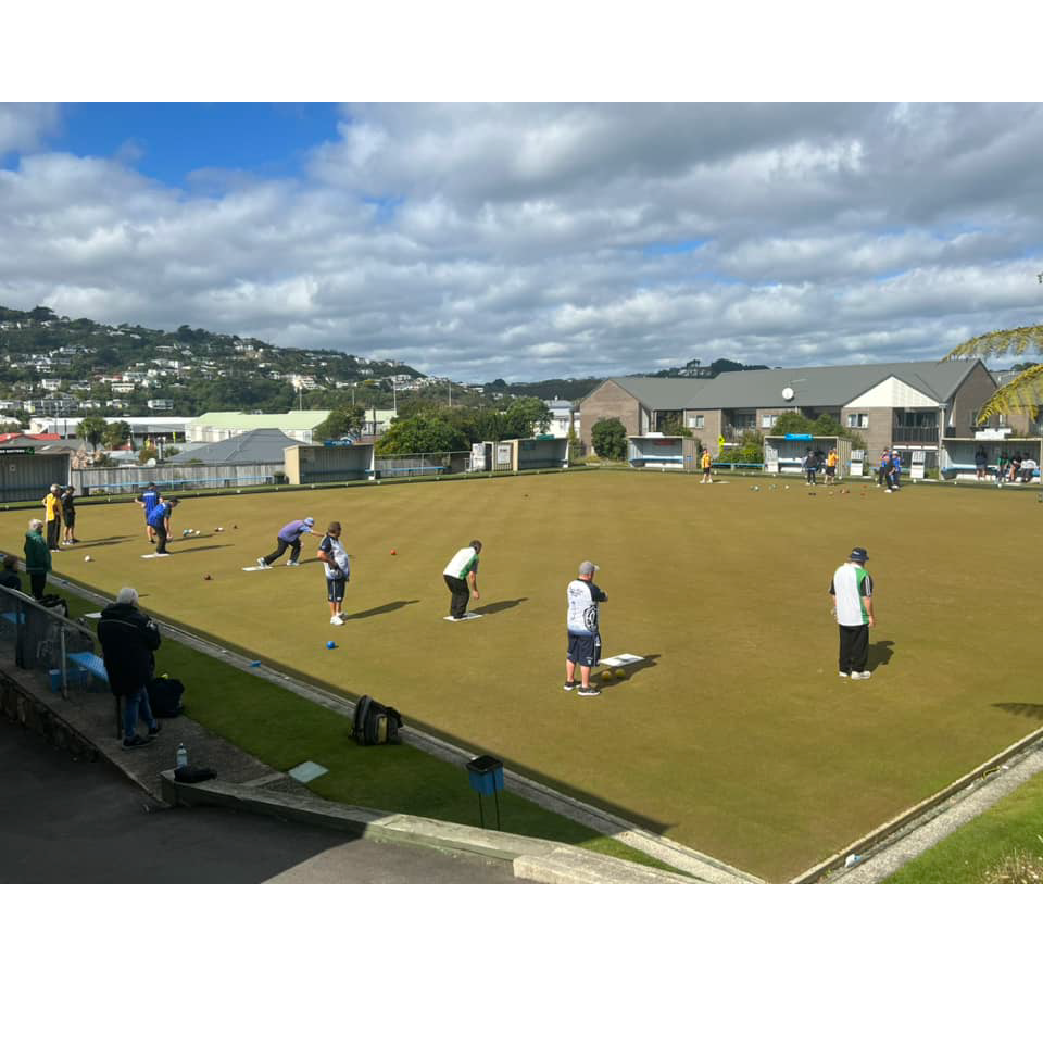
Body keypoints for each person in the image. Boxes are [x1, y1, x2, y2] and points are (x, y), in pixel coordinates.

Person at [97, 587, 163, 750]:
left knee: (141, 693)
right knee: (133, 698)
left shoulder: (105, 619)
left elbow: (102, 640)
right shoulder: (138, 620)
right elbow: (155, 642)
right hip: (135, 666)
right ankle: (130, 737)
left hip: (113, 665)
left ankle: (152, 725)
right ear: (133, 602)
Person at [830, 546, 876, 680]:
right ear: (863, 561)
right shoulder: (864, 575)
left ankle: (843, 671)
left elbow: (834, 593)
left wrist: (838, 609)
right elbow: (866, 598)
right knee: (860, 645)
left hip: (843, 616)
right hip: (858, 617)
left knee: (845, 644)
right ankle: (857, 671)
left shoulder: (838, 571)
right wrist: (870, 616)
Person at [565, 561, 607, 697]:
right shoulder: (591, 588)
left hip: (571, 626)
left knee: (571, 653)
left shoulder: (571, 585)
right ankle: (584, 687)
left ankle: (570, 682)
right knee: (586, 657)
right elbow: (603, 597)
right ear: (590, 574)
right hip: (586, 629)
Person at [317, 520, 351, 625]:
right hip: (333, 573)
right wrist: (334, 564)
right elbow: (320, 555)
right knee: (333, 595)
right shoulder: (327, 541)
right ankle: (333, 616)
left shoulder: (335, 539)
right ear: (337, 530)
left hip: (341, 572)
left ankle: (338, 612)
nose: (341, 531)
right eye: (340, 529)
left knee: (340, 593)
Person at [442, 540, 481, 619]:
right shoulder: (475, 557)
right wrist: (475, 590)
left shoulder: (462, 550)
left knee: (456, 592)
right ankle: (459, 614)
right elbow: (471, 575)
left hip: (446, 573)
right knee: (464, 593)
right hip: (456, 575)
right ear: (478, 548)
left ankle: (453, 612)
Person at [23, 519, 51, 600]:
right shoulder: (38, 539)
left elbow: (25, 549)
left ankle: (36, 599)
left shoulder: (29, 538)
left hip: (32, 566)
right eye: (41, 527)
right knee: (39, 588)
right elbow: (41, 554)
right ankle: (38, 602)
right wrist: (45, 564)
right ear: (36, 528)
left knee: (35, 587)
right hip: (40, 567)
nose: (42, 529)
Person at [42, 483, 62, 551]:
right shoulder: (52, 497)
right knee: (54, 532)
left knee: (52, 532)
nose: (59, 491)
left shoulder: (49, 496)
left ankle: (50, 546)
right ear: (54, 491)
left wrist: (47, 506)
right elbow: (53, 505)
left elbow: (43, 502)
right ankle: (54, 546)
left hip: (52, 516)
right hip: (54, 516)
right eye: (58, 490)